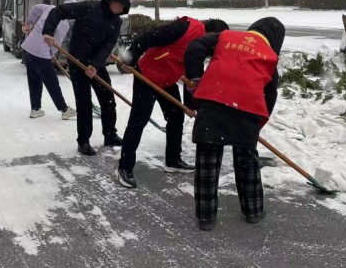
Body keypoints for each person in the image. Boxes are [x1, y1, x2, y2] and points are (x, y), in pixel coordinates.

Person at [184, 17, 285, 231]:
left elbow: (194, 47)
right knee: (247, 160)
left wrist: (196, 78)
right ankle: (253, 211)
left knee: (207, 161)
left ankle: (206, 216)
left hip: (212, 100)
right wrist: (256, 125)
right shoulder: (270, 56)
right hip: (246, 108)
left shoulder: (226, 36)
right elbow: (270, 96)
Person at [115, 17, 229, 189]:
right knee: (139, 120)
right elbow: (150, 36)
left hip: (167, 80)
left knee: (176, 117)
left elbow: (192, 74)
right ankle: (124, 167)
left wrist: (191, 106)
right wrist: (130, 58)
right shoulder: (186, 27)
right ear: (211, 33)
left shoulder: (201, 47)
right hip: (147, 74)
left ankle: (173, 160)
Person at [43, 0, 132, 156]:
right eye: (119, 5)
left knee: (108, 99)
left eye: (123, 7)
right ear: (111, 0)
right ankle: (83, 141)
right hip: (77, 61)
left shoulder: (117, 21)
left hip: (96, 65)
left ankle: (110, 134)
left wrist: (96, 65)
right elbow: (58, 11)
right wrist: (48, 31)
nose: (120, 9)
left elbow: (108, 45)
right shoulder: (88, 8)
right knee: (84, 102)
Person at [21, 0, 77, 120]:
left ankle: (35, 109)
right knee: (52, 82)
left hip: (28, 47)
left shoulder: (49, 8)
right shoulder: (64, 24)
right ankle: (64, 109)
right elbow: (56, 42)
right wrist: (51, 54)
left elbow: (35, 8)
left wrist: (29, 23)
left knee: (34, 79)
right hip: (41, 52)